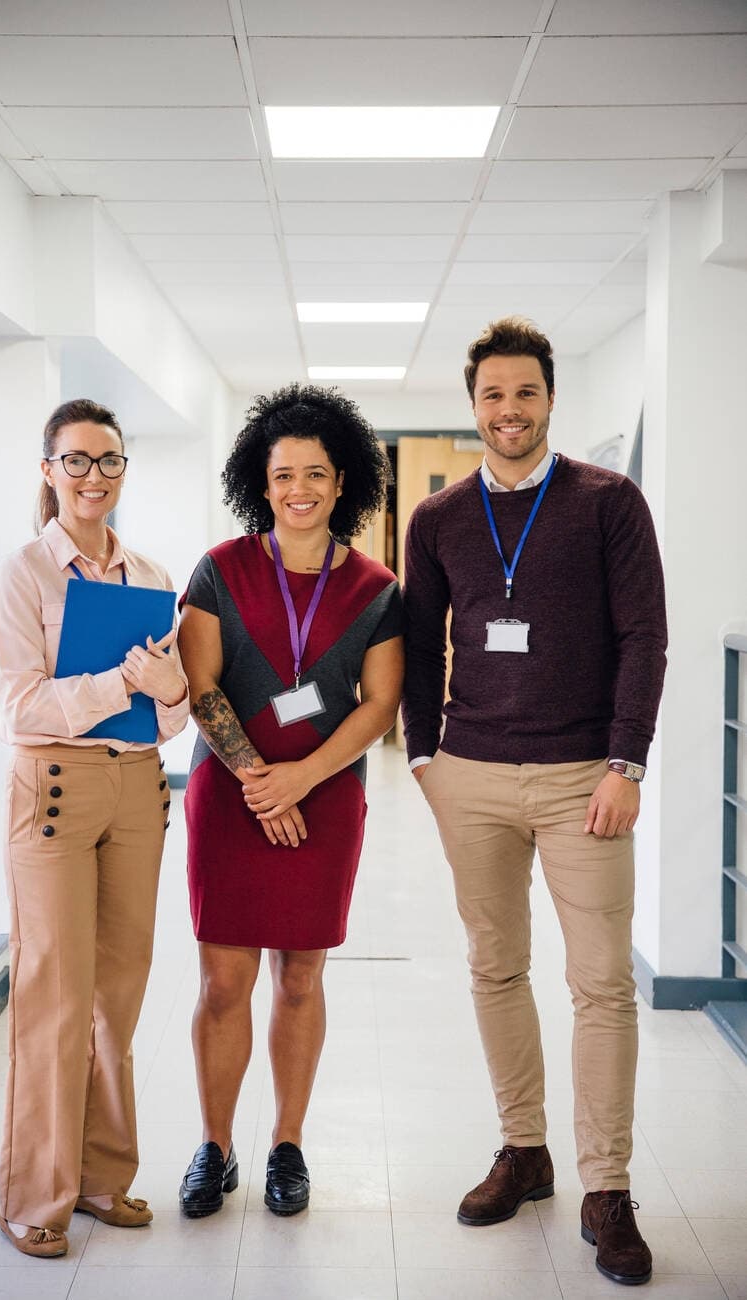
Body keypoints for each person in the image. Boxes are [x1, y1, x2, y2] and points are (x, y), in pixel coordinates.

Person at [401, 318, 667, 1288]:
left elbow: (644, 636)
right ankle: (525, 1150)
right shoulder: (434, 521)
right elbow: (414, 638)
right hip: (469, 772)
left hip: (578, 779)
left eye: (522, 393)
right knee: (493, 966)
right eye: (489, 396)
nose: (506, 410)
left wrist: (622, 763)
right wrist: (422, 760)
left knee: (598, 981)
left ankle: (605, 1187)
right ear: (470, 407)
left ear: (547, 398)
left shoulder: (607, 503)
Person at [176, 384, 403, 1218]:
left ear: (342, 482)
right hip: (231, 795)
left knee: (301, 979)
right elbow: (201, 687)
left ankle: (286, 1145)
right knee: (223, 983)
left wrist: (301, 779)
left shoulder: (377, 588)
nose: (298, 488)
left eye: (315, 473)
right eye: (282, 475)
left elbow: (379, 705)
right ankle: (214, 1146)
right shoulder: (220, 569)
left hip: (327, 795)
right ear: (259, 482)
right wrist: (258, 783)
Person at [0, 398, 189, 1257]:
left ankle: (104, 1180)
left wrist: (169, 685)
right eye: (76, 461)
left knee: (117, 995)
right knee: (54, 998)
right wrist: (120, 682)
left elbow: (173, 718)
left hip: (137, 790)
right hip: (57, 795)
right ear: (48, 470)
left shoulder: (148, 575)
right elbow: (17, 707)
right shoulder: (25, 574)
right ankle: (35, 1195)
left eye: (108, 461)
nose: (94, 477)